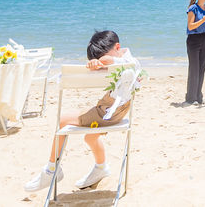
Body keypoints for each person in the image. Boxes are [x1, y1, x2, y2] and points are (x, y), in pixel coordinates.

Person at [24, 30, 136, 193]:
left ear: (117, 47)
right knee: (90, 137)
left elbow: (108, 59)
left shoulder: (123, 62)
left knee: (62, 120)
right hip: (115, 111)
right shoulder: (129, 60)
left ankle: (52, 169)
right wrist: (103, 61)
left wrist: (100, 62)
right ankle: (101, 168)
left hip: (107, 113)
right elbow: (113, 60)